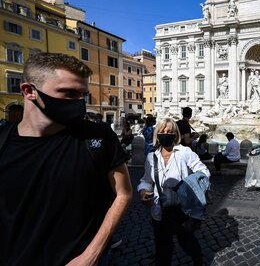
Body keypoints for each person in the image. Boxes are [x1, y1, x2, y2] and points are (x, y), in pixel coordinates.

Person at [0, 52, 132, 265]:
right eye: (68, 93)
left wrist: (91, 255)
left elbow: (123, 194)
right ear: (29, 91)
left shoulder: (98, 136)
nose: (79, 102)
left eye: (83, 94)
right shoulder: (3, 141)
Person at [137, 118, 210, 266]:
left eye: (170, 131)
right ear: (157, 134)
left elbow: (204, 172)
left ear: (175, 135)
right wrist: (144, 191)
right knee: (162, 251)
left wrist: (188, 186)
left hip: (183, 210)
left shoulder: (184, 152)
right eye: (163, 131)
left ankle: (198, 260)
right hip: (160, 211)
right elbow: (146, 180)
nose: (166, 134)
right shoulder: (152, 157)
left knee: (187, 242)